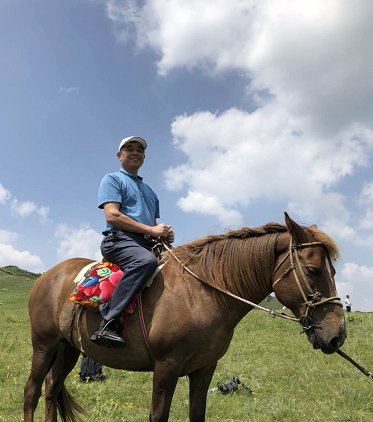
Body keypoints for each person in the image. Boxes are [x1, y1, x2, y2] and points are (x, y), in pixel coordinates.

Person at [90, 136, 175, 348]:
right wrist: (150, 230)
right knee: (146, 262)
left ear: (144, 157)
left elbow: (152, 225)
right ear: (120, 156)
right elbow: (112, 216)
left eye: (139, 149)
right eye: (129, 149)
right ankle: (107, 323)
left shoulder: (151, 192)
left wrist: (163, 234)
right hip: (118, 240)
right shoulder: (112, 179)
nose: (135, 152)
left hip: (145, 243)